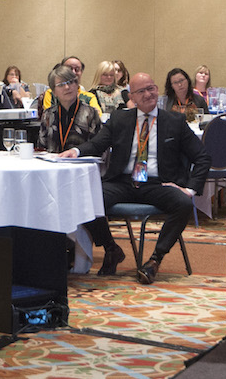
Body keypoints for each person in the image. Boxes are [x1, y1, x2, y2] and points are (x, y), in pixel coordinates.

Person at [60, 72, 211, 284]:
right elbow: (96, 145)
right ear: (132, 96)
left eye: (152, 88)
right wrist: (75, 151)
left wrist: (190, 189)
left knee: (183, 203)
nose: (149, 94)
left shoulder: (174, 121)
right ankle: (111, 248)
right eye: (142, 91)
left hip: (158, 183)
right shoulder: (120, 119)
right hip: (123, 182)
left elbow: (202, 157)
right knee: (86, 198)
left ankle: (155, 260)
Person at [37, 66, 126, 273]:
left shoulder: (90, 113)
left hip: (83, 173)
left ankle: (100, 248)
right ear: (53, 90)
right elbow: (41, 145)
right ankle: (107, 247)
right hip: (53, 173)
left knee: (80, 196)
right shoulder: (48, 115)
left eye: (71, 82)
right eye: (61, 84)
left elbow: (99, 147)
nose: (68, 87)